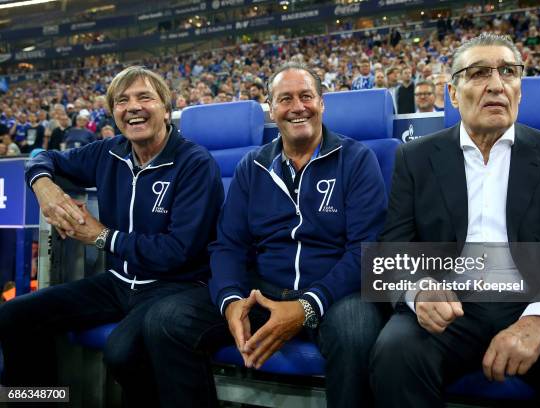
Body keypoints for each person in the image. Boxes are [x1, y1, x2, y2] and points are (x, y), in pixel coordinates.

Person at [371, 33, 540, 407]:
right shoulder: (415, 158)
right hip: (451, 307)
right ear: (453, 93)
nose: (497, 85)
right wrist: (419, 290)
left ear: (520, 89)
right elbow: (394, 248)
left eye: (509, 72)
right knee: (395, 352)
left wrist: (539, 321)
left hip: (536, 300)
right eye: (480, 73)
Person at [143, 62, 388, 408]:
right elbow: (228, 244)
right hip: (264, 290)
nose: (297, 107)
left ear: (322, 103)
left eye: (306, 96)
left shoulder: (357, 159)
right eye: (285, 99)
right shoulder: (252, 166)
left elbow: (366, 250)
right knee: (164, 322)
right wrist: (230, 301)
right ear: (272, 111)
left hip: (334, 293)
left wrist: (306, 306)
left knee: (355, 334)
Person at [0, 66, 224, 406]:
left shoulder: (194, 163)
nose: (132, 107)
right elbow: (43, 157)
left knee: (121, 354)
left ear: (166, 107)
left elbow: (178, 252)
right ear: (115, 113)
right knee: (15, 315)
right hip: (118, 281)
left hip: (175, 286)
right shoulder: (109, 151)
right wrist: (42, 186)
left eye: (144, 97)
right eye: (122, 101)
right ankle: (37, 402)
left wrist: (104, 237)